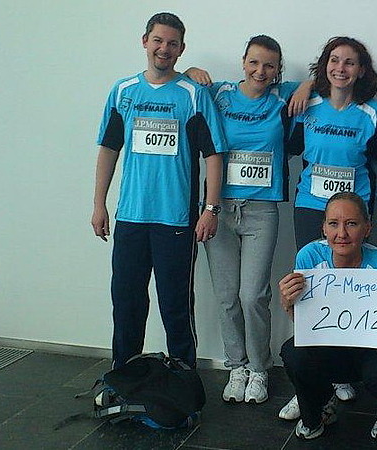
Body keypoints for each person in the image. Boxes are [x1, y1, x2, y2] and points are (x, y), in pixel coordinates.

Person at [91, 12, 227, 369]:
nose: (164, 48)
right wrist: (99, 205)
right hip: (131, 217)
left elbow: (214, 154)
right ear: (145, 42)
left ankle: (184, 378)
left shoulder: (193, 95)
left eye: (172, 43)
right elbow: (109, 149)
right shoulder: (123, 91)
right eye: (158, 40)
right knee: (127, 303)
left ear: (181, 49)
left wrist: (210, 209)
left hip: (176, 221)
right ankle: (124, 376)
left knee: (175, 306)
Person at [183, 36, 311, 404]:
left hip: (261, 210)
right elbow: (184, 84)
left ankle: (259, 369)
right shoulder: (221, 93)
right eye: (254, 63)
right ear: (243, 62)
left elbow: (324, 79)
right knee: (227, 296)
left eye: (269, 65)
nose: (260, 71)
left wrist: (306, 84)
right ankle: (236, 366)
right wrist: (191, 71)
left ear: (278, 70)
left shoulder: (282, 96)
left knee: (253, 295)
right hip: (218, 207)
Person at [278, 192, 377, 440]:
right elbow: (306, 327)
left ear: (367, 228)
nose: (341, 233)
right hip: (328, 348)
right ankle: (315, 412)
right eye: (333, 224)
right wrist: (287, 304)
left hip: (370, 353)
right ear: (323, 228)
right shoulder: (309, 257)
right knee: (293, 352)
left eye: (351, 223)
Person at [288, 36, 377, 249]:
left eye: (349, 63)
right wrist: (307, 84)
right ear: (325, 65)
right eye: (334, 60)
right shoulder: (307, 104)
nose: (340, 68)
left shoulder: (373, 112)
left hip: (355, 206)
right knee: (311, 266)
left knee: (350, 268)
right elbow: (291, 149)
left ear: (361, 70)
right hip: (311, 203)